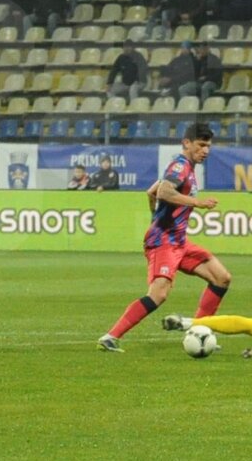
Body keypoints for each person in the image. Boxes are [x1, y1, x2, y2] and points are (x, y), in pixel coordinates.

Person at [98, 123, 231, 353]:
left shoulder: (186, 168)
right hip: (164, 241)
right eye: (201, 145)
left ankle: (197, 331)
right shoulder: (180, 166)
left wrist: (154, 217)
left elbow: (151, 192)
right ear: (186, 143)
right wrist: (197, 203)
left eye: (208, 146)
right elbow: (164, 192)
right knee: (158, 294)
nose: (205, 151)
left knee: (222, 278)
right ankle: (110, 337)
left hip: (178, 240)